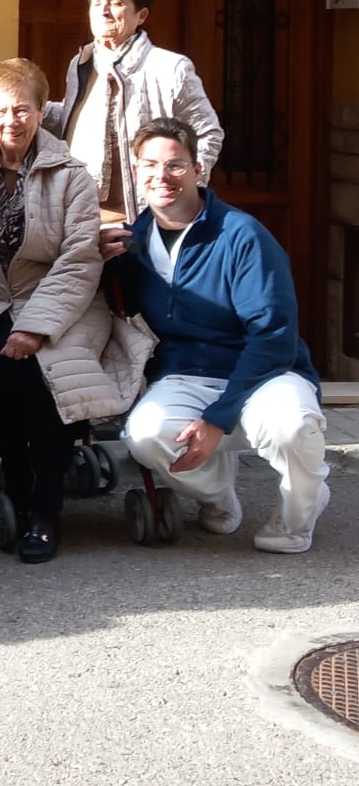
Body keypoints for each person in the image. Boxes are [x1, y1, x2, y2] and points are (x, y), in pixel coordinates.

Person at [0, 59, 152, 565]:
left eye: (23, 109)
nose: (13, 120)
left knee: (49, 375)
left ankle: (45, 509)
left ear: (40, 113)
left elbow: (79, 258)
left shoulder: (70, 172)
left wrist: (35, 327)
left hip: (62, 299)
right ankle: (21, 486)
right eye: (1, 109)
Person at [112, 118, 328, 553]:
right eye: (150, 165)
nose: (162, 176)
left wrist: (217, 418)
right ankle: (217, 497)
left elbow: (273, 336)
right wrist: (107, 263)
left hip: (268, 371)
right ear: (136, 171)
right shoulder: (132, 242)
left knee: (291, 427)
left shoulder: (242, 235)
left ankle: (295, 520)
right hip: (186, 373)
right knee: (145, 434)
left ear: (198, 170)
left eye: (175, 165)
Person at [45, 0, 223, 226]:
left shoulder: (171, 68)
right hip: (84, 220)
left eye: (116, 3)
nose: (104, 11)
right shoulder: (81, 63)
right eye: (97, 3)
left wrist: (180, 193)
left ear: (141, 15)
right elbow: (78, 120)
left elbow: (208, 132)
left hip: (145, 219)